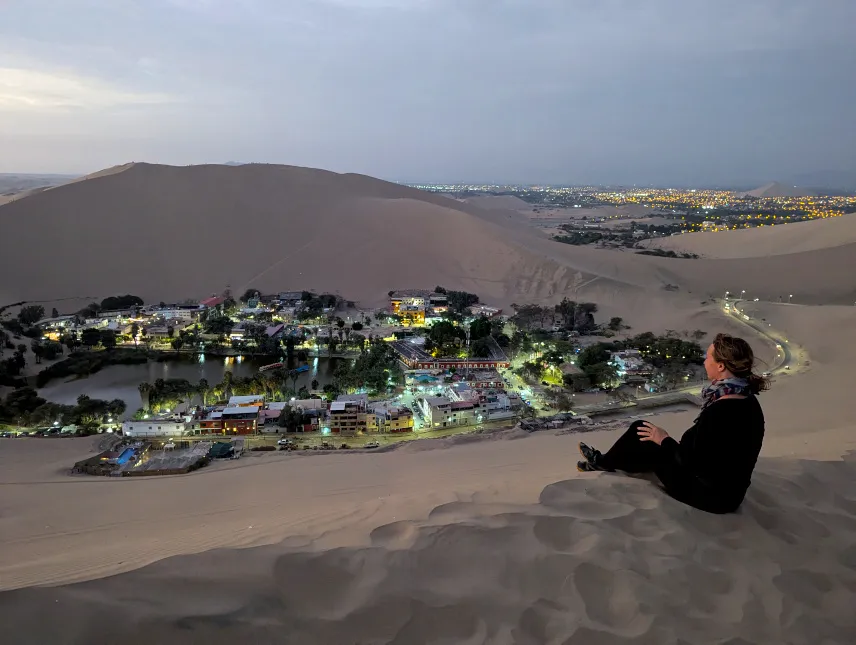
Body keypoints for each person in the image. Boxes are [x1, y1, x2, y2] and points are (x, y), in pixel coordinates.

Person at [577, 333, 768, 514]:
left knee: (641, 432)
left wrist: (665, 440)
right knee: (646, 434)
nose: (704, 361)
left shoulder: (722, 409)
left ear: (721, 366)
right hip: (728, 493)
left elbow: (695, 464)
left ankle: (600, 464)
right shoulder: (746, 398)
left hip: (708, 495)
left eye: (708, 357)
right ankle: (605, 462)